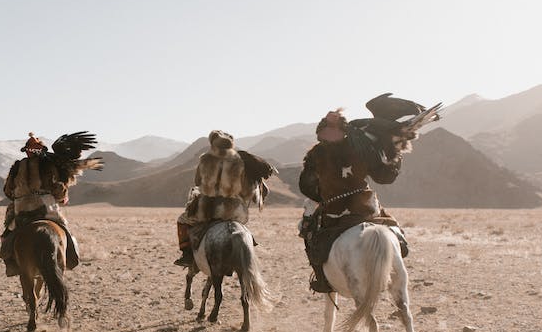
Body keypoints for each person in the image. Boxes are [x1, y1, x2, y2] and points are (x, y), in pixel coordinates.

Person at [299, 108, 409, 293]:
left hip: (334, 210)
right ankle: (399, 249)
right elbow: (384, 177)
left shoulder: (315, 153)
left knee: (309, 232)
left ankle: (321, 278)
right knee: (394, 230)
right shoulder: (361, 147)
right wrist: (396, 152)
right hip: (365, 206)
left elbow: (305, 185)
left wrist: (323, 196)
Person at [0, 132, 102, 276]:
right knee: (64, 230)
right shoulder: (48, 165)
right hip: (46, 207)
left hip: (22, 208)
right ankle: (71, 257)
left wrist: (19, 196)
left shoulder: (17, 166)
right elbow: (57, 188)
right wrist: (62, 196)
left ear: (27, 151)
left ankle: (11, 263)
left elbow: (8, 191)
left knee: (7, 233)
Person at [173, 130, 274, 267]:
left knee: (182, 220)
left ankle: (187, 255)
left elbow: (197, 181)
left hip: (210, 208)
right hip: (236, 210)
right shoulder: (238, 160)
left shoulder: (206, 158)